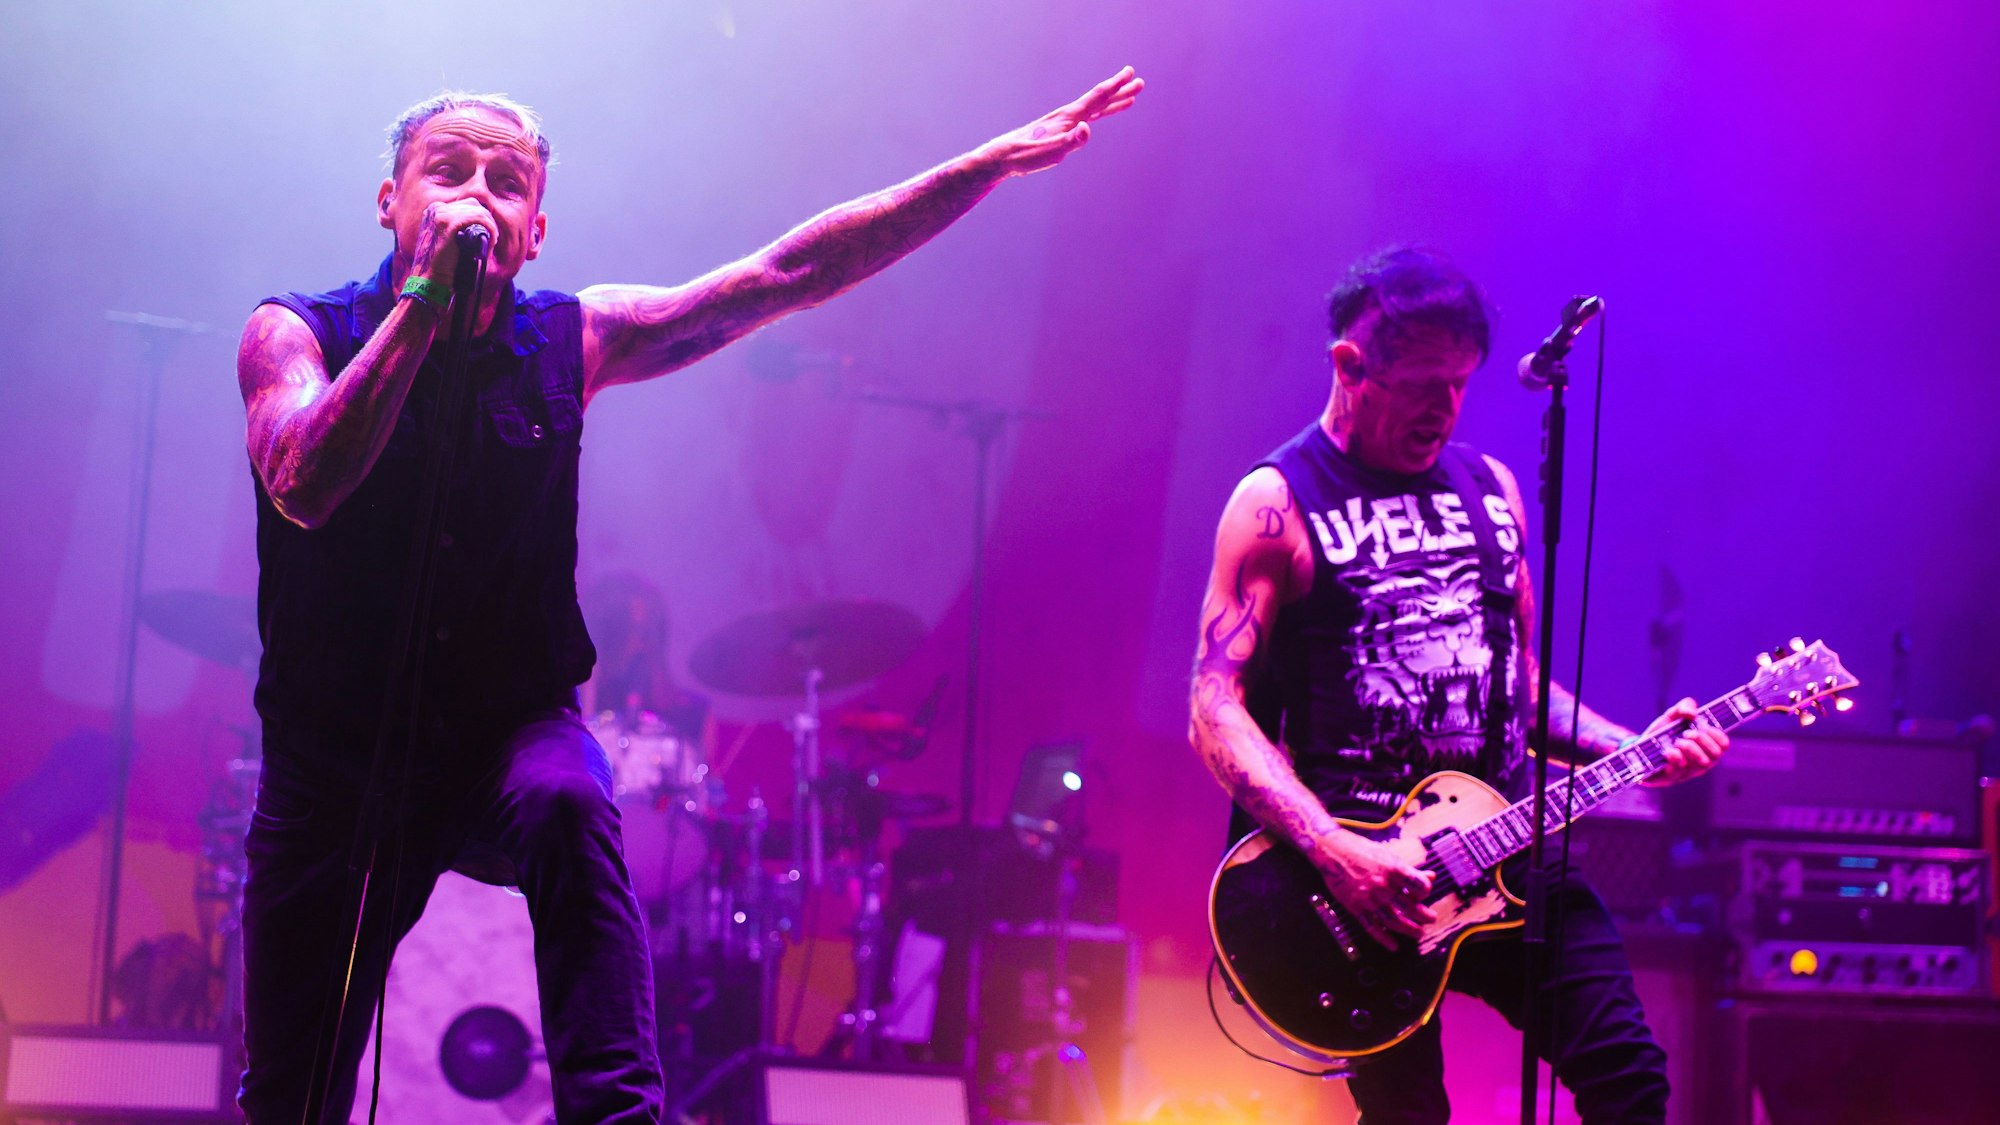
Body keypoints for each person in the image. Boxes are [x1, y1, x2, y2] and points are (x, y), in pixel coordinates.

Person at [237, 70, 1142, 1124]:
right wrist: (424, 306)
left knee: (573, 799)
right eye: (448, 171)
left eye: (506, 181)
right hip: (334, 760)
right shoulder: (293, 332)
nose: (477, 194)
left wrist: (979, 168)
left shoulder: (573, 339)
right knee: (288, 1096)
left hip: (505, 732)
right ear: (389, 201)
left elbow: (788, 272)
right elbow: (304, 480)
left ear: (534, 230)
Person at [1187, 247, 1727, 1124]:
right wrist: (1335, 849)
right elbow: (1216, 710)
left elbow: (1519, 688)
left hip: (1508, 853)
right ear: (1351, 367)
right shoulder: (1274, 503)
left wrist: (1630, 749)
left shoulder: (1492, 493)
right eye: (1422, 384)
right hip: (1365, 883)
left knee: (1630, 1078)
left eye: (1461, 384)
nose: (1444, 409)